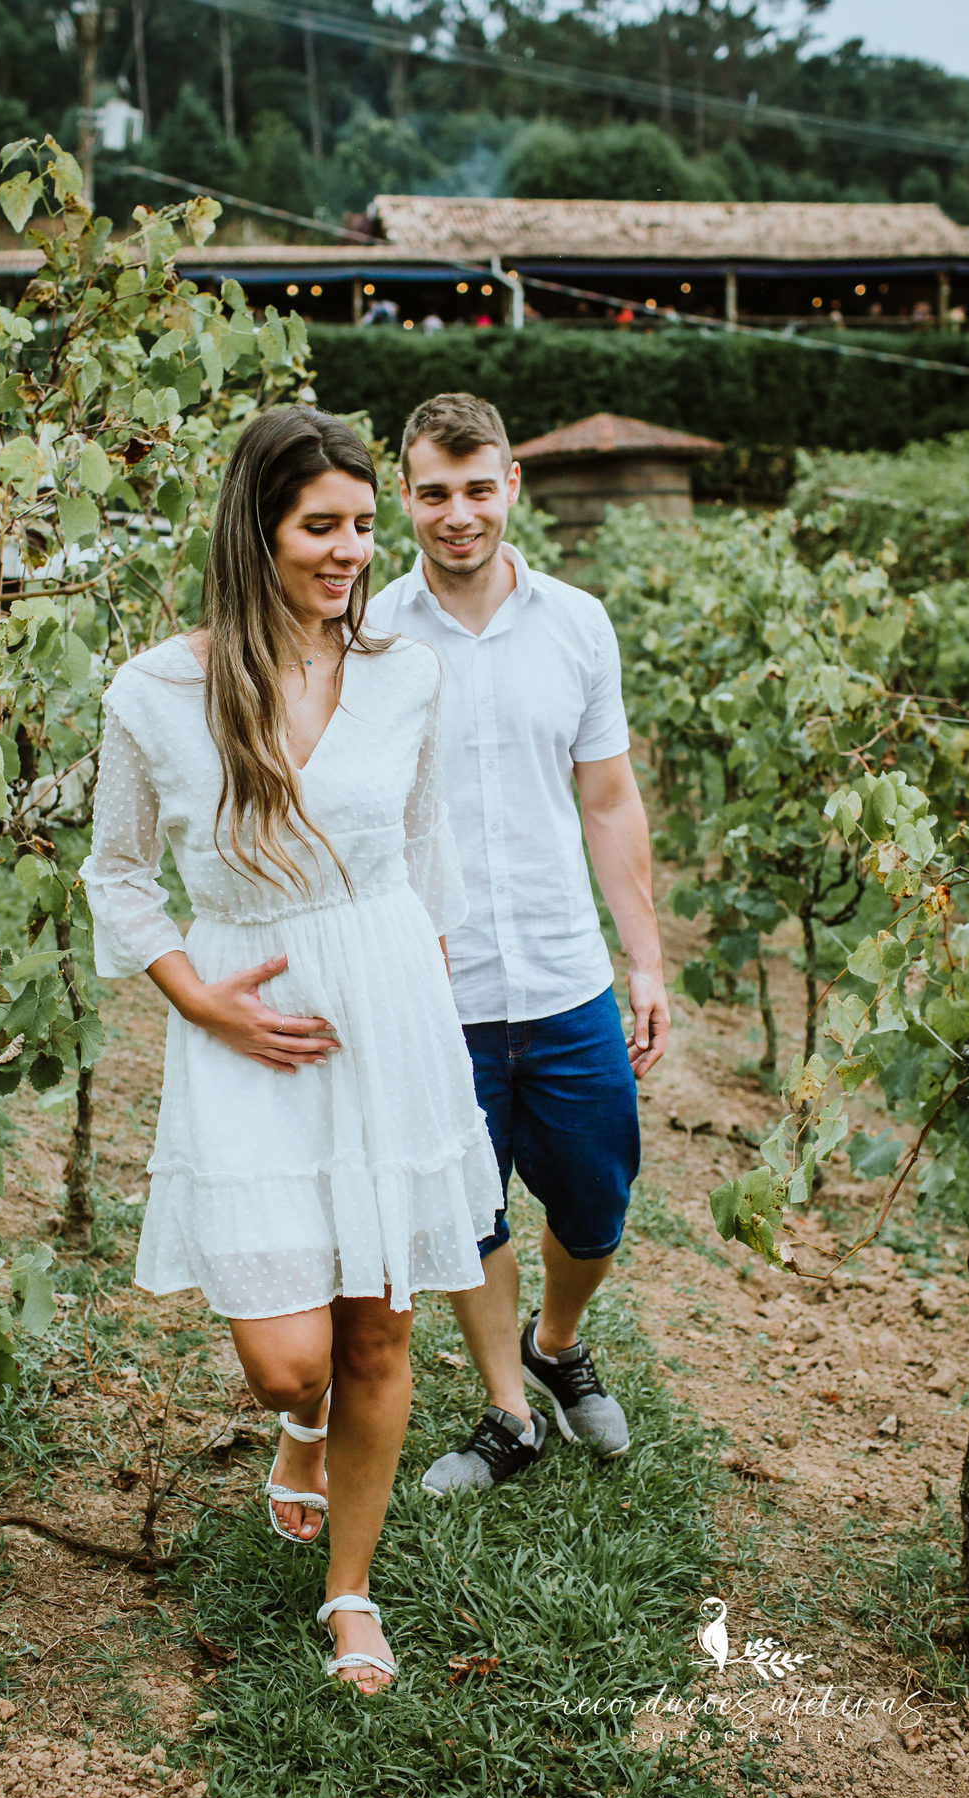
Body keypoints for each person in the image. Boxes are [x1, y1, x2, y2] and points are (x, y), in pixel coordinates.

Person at [79, 406, 502, 1689]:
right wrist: (197, 999)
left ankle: (352, 1596)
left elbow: (424, 851)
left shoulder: (406, 674)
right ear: (256, 528)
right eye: (324, 526)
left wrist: (420, 986)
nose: (352, 553)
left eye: (366, 528)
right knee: (288, 1357)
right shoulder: (157, 690)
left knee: (379, 1328)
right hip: (245, 1018)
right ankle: (299, 1431)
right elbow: (118, 876)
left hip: (384, 1009)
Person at [365, 393, 670, 1497]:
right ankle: (509, 1413)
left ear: (512, 487)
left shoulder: (579, 624)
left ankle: (556, 1341)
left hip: (563, 973)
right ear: (405, 495)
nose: (458, 515)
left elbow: (609, 798)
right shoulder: (369, 630)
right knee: (465, 1208)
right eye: (434, 493)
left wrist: (644, 958)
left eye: (477, 488)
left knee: (596, 1203)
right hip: (433, 990)